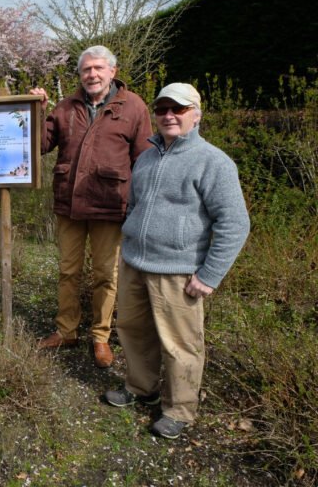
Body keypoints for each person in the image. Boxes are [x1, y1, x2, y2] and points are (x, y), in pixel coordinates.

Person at [104, 83, 250, 439]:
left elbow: (235, 223)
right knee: (133, 332)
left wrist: (210, 275)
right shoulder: (147, 157)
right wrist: (131, 234)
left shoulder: (213, 162)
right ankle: (141, 388)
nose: (169, 115)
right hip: (136, 262)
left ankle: (180, 410)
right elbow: (136, 204)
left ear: (196, 115)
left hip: (178, 271)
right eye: (163, 108)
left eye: (179, 109)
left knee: (180, 343)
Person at [30, 45, 152, 368]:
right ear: (80, 75)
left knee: (105, 275)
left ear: (112, 71)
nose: (92, 75)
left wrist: (140, 205)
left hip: (110, 204)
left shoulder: (134, 107)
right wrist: (37, 111)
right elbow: (40, 144)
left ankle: (100, 336)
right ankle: (66, 330)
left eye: (98, 68)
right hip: (69, 203)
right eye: (86, 70)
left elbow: (144, 160)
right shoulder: (66, 106)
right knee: (68, 270)